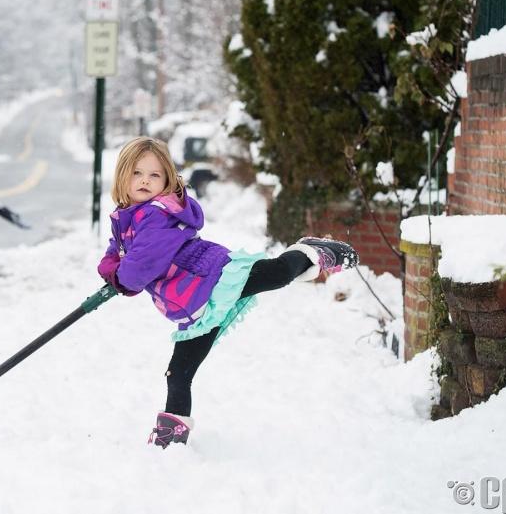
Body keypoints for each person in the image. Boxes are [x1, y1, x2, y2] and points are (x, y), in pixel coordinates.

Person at [97, 137, 358, 448]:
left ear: (166, 180)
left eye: (154, 175)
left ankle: (311, 252)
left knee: (274, 274)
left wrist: (119, 277)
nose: (144, 181)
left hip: (209, 278)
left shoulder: (154, 215)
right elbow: (117, 253)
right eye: (137, 173)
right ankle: (171, 438)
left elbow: (137, 269)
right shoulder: (127, 216)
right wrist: (111, 270)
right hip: (194, 303)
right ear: (123, 176)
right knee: (179, 371)